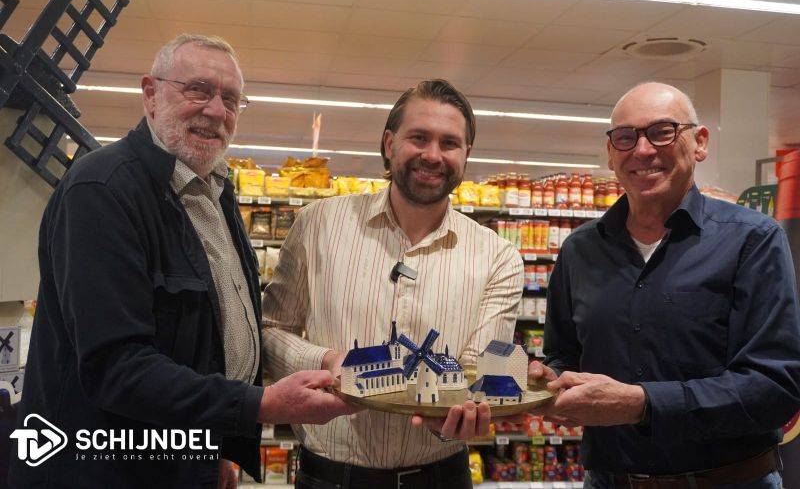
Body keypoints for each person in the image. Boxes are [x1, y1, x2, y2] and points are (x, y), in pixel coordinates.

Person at [10, 34, 356, 489]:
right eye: (198, 90)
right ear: (150, 94)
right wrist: (261, 405)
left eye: (230, 99)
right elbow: (116, 367)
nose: (215, 111)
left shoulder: (214, 191)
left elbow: (214, 333)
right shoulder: (102, 190)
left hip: (183, 457)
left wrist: (218, 447)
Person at [529, 82, 800, 487]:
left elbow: (775, 387)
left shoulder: (753, 240)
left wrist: (640, 404)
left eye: (662, 132)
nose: (642, 150)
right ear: (610, 154)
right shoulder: (579, 250)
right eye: (625, 137)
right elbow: (564, 355)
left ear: (700, 142)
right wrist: (545, 383)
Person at [262, 79, 524, 488]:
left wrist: (464, 410)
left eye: (449, 143)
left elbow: (480, 368)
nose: (433, 155)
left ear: (466, 154)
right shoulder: (319, 225)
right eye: (419, 137)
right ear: (389, 143)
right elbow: (270, 329)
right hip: (329, 475)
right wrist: (326, 360)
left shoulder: (499, 257)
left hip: (441, 476)